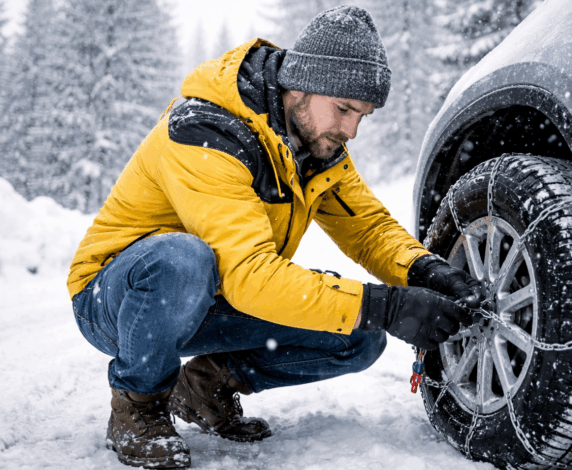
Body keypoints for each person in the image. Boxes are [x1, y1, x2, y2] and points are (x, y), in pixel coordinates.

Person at [68, 5, 483, 469]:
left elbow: (369, 229)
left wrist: (426, 271)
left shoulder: (315, 145)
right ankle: (138, 406)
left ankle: (206, 387)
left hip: (216, 296)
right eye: (344, 109)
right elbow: (249, 275)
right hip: (120, 298)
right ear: (300, 85)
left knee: (360, 336)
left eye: (361, 116)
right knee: (183, 259)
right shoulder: (204, 132)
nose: (350, 130)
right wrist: (385, 304)